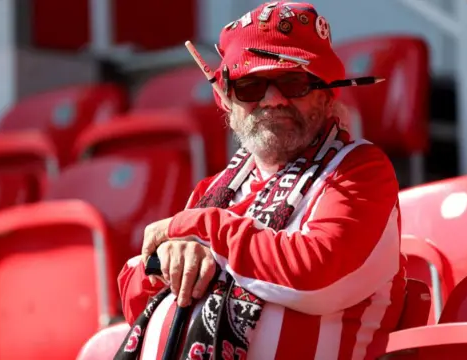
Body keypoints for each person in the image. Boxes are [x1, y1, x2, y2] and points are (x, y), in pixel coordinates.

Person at [117, 2, 406, 359]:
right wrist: (168, 260)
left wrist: (200, 228)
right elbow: (135, 295)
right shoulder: (213, 190)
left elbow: (317, 274)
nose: (272, 100)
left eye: (293, 82)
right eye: (250, 86)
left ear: (328, 91)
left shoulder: (360, 170)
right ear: (226, 101)